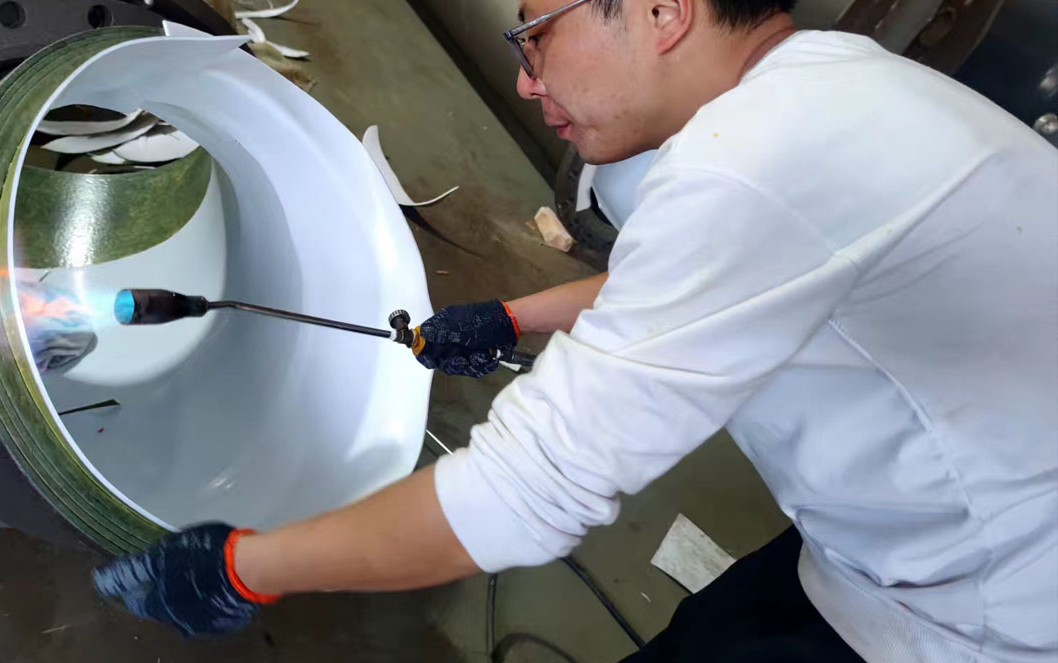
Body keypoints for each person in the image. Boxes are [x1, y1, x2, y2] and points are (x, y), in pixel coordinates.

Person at [93, 1, 1058, 661]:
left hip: (985, 612)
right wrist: (513, 317)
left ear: (661, 11)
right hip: (899, 546)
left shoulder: (755, 162)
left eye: (536, 36)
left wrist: (240, 568)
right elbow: (704, 282)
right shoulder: (832, 89)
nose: (526, 81)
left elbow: (521, 495)